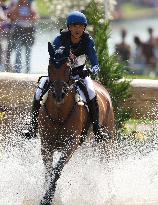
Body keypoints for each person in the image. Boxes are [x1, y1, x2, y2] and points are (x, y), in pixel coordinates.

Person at [24, 11, 109, 141]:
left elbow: (94, 59)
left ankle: (97, 130)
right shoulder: (60, 39)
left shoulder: (87, 41)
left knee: (91, 92)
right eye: (74, 26)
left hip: (80, 73)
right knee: (39, 90)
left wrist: (93, 70)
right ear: (69, 27)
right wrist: (64, 54)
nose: (78, 29)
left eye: (81, 26)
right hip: (60, 74)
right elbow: (54, 55)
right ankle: (33, 126)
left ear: (84, 28)